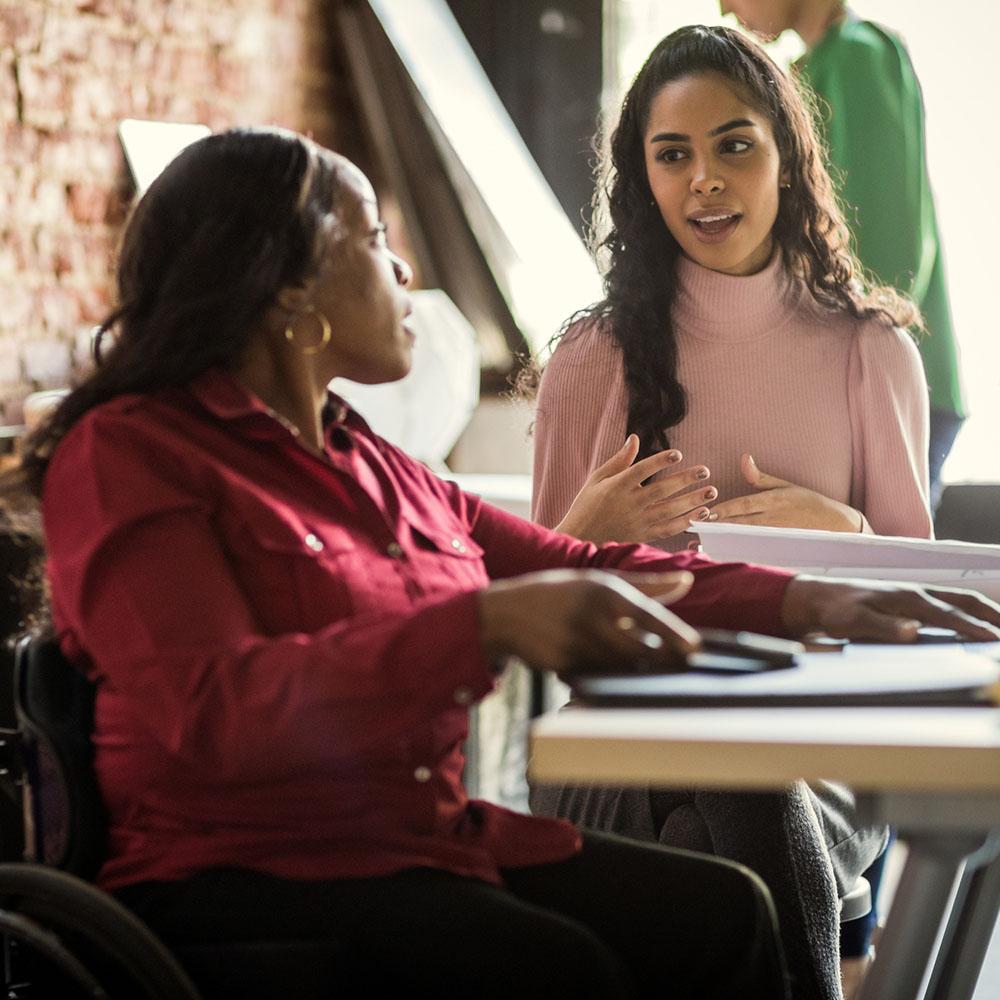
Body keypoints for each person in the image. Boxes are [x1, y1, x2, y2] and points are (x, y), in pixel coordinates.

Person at [5, 127, 1000, 1000]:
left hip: (418, 842)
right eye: (376, 241)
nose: (406, 276)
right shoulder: (131, 455)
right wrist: (480, 625)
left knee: (724, 914)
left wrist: (819, 599)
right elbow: (209, 709)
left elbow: (587, 562)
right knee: (567, 965)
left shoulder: (372, 462)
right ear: (287, 284)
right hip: (237, 877)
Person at [526, 24, 928, 1000]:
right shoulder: (590, 359)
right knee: (726, 814)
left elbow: (922, 619)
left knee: (715, 830)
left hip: (823, 747)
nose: (703, 179)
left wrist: (851, 535)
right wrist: (585, 522)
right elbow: (526, 618)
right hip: (617, 740)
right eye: (673, 155)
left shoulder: (868, 352)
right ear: (644, 177)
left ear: (785, 160)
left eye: (733, 145)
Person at [720, 0, 965, 506]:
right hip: (866, 369)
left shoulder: (857, 56)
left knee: (873, 572)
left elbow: (889, 257)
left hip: (883, 374)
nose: (724, 8)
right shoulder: (822, 63)